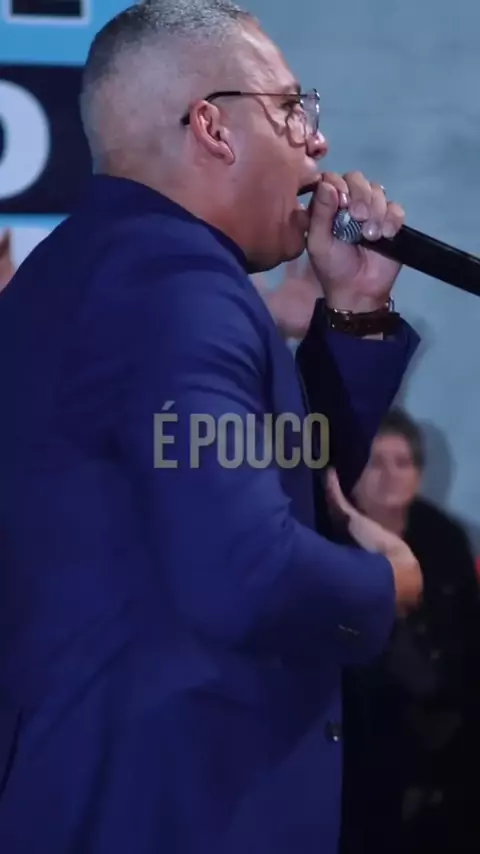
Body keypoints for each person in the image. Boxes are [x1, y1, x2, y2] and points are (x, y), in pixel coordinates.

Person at [0, 2, 422, 852]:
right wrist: (390, 585)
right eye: (291, 108)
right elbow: (246, 571)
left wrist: (354, 312)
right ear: (212, 127)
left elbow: (274, 485)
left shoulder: (85, 270)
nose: (317, 143)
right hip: (171, 810)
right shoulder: (177, 289)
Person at [341, 409, 480, 854]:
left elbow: (469, 639)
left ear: (418, 474)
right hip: (361, 728)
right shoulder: (327, 540)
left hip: (448, 720)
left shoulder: (444, 538)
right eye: (376, 462)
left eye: (402, 463)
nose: (390, 476)